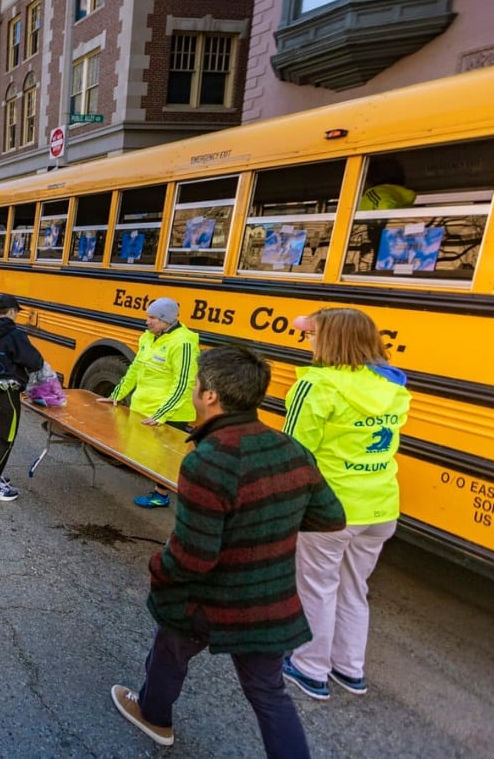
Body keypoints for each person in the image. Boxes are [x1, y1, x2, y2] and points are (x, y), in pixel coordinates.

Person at [110, 346, 346, 757]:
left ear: (211, 396)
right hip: (268, 601)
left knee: (170, 644)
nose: (195, 390)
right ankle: (153, 711)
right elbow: (331, 516)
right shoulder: (290, 448)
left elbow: (193, 558)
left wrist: (156, 569)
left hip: (206, 599)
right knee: (269, 694)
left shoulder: (210, 460)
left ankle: (155, 715)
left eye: (198, 385)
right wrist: (269, 524)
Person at [281, 308, 411, 701]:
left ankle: (309, 669)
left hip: (330, 509)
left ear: (329, 340)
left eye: (311, 334)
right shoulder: (393, 387)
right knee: (354, 588)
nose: (306, 340)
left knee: (317, 587)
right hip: (382, 507)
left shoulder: (316, 384)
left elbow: (293, 452)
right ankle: (349, 668)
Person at [98, 296, 200, 508]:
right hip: (145, 407)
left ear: (166, 320)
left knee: (166, 459)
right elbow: (135, 369)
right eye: (147, 317)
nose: (147, 321)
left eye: (152, 318)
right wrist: (116, 394)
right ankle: (162, 489)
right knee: (150, 455)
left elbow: (184, 384)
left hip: (169, 414)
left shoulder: (183, 343)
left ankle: (161, 495)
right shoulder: (148, 337)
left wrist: (161, 414)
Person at [0, 294, 44, 502]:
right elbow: (35, 361)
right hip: (7, 393)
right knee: (7, 439)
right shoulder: (15, 335)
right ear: (13, 312)